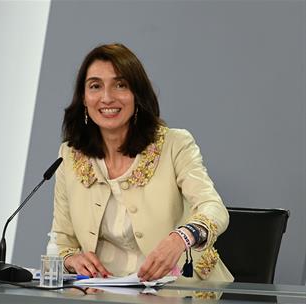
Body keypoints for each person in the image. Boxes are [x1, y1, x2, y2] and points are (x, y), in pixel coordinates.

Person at [51, 43, 233, 284]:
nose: (107, 97)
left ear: (137, 94)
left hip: (181, 289)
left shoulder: (174, 144)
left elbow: (214, 208)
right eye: (95, 86)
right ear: (84, 99)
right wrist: (71, 259)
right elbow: (63, 241)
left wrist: (181, 238)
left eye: (121, 85)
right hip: (107, 290)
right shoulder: (70, 155)